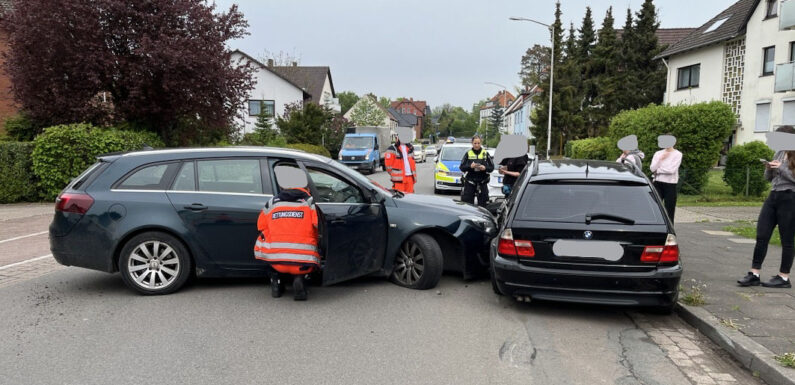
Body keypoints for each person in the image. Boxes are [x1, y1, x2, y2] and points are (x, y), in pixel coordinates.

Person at [738, 126, 795, 289]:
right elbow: (769, 179)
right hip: (773, 196)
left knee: (787, 239)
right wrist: (768, 169)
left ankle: (784, 277)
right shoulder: (779, 153)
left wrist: (781, 168)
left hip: (790, 198)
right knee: (762, 235)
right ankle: (754, 273)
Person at [254, 168, 320, 301]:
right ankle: (299, 279)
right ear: (305, 186)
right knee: (314, 239)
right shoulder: (309, 203)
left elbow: (260, 226)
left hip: (276, 261)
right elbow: (317, 226)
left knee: (263, 235)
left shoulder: (272, 203)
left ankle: (276, 282)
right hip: (303, 263)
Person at [650, 135, 682, 222]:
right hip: (658, 182)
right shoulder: (658, 153)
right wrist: (660, 159)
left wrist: (658, 170)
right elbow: (652, 168)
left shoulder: (678, 154)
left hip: (670, 184)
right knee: (656, 206)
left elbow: (671, 170)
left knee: (669, 208)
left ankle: (670, 229)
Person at [460, 135, 494, 206]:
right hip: (470, 182)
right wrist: (470, 166)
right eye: (475, 143)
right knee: (467, 205)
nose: (477, 145)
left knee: (484, 205)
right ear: (472, 143)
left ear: (481, 143)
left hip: (482, 182)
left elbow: (491, 167)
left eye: (478, 143)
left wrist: (485, 168)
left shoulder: (485, 153)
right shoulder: (468, 153)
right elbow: (462, 167)